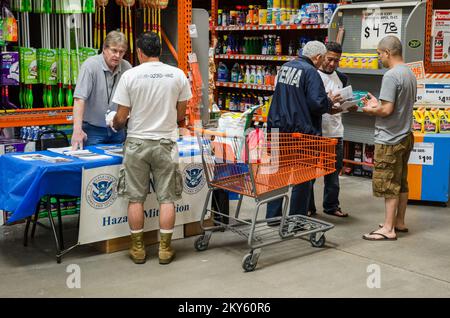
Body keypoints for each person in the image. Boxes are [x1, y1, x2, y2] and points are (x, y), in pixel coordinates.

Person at [110, 32, 192, 264]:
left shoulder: (130, 76)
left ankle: (138, 249)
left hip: (137, 143)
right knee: (167, 198)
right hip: (166, 143)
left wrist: (114, 122)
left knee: (136, 198)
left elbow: (122, 116)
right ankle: (165, 250)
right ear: (159, 50)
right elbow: (180, 113)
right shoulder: (177, 75)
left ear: (139, 52)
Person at [266, 41, 342, 222]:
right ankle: (297, 219)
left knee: (278, 174)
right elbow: (317, 104)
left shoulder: (285, 67)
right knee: (302, 177)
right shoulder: (311, 72)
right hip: (301, 132)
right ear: (317, 57)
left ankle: (272, 217)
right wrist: (329, 100)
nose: (323, 63)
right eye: (323, 59)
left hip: (278, 129)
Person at [361, 35, 416, 241]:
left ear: (388, 53)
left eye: (379, 54)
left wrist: (370, 109)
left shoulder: (391, 76)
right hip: (404, 135)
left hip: (389, 138)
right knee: (401, 182)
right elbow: (398, 105)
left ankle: (388, 229)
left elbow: (387, 110)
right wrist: (379, 103)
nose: (379, 58)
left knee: (388, 183)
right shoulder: (409, 73)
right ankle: (399, 222)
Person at [308, 42, 350, 218]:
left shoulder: (342, 78)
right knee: (308, 174)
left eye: (337, 61)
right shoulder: (311, 75)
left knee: (333, 172)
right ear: (322, 56)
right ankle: (308, 206)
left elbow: (344, 103)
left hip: (335, 132)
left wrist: (349, 106)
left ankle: (332, 205)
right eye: (330, 59)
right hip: (315, 131)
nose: (332, 64)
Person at [71, 31, 132, 150]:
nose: (117, 55)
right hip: (93, 131)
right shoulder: (90, 66)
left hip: (117, 130)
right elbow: (79, 99)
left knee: (117, 167)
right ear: (104, 48)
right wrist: (77, 130)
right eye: (114, 50)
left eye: (121, 52)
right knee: (95, 167)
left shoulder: (127, 68)